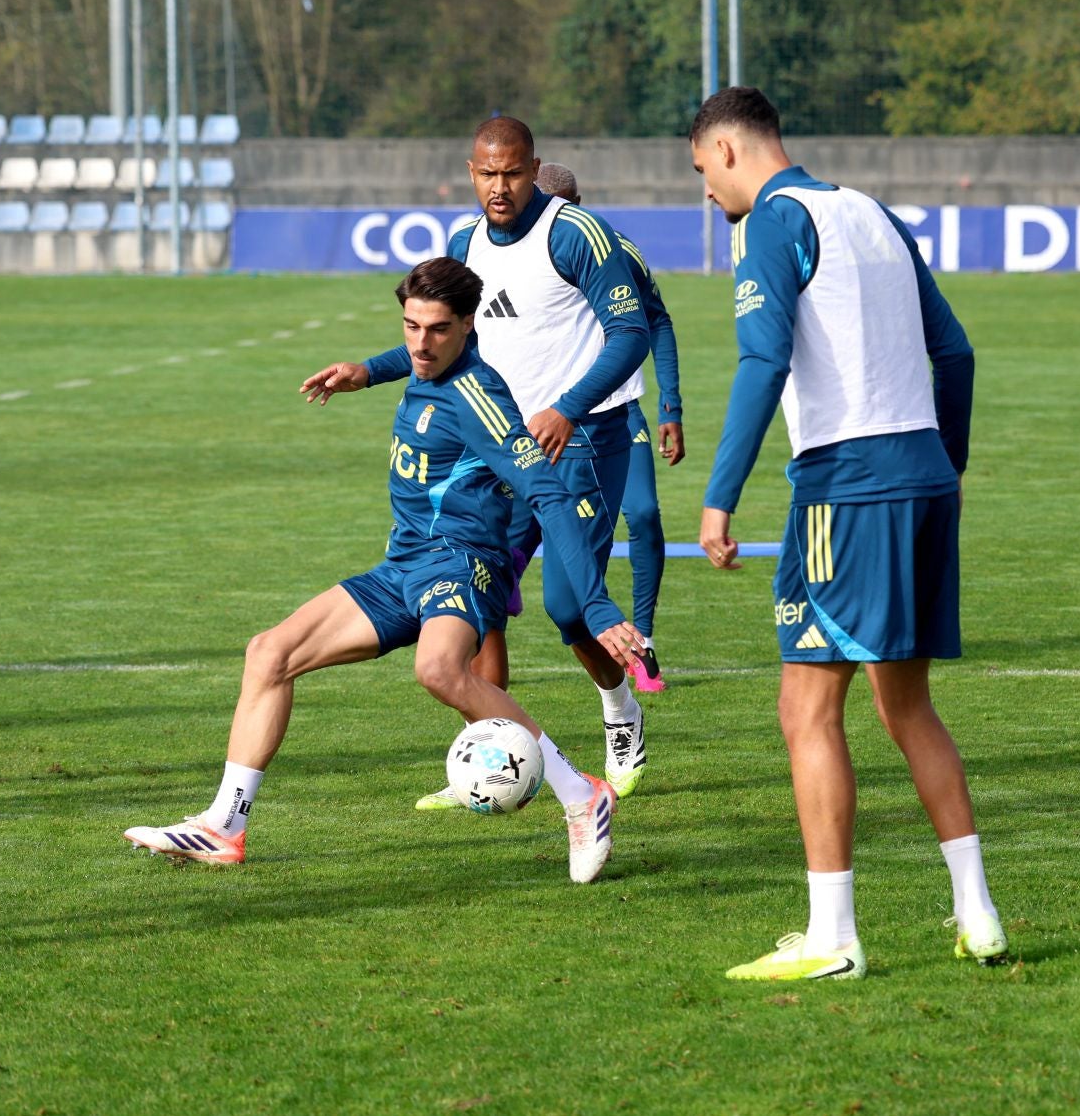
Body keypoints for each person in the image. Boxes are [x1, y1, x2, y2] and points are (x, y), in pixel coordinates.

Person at [124, 258, 646, 883]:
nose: (421, 343)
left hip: (461, 563)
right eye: (410, 326)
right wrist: (366, 372)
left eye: (438, 330)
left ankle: (581, 795)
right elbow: (414, 357)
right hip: (403, 564)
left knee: (439, 670)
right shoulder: (425, 360)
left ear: (468, 327)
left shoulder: (479, 398)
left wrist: (594, 604)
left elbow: (550, 495)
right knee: (268, 653)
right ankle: (223, 827)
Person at [691, 86, 1003, 982]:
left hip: (845, 487)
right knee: (906, 707)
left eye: (703, 172)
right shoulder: (870, 211)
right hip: (923, 474)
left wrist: (720, 496)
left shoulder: (771, 223)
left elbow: (763, 358)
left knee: (805, 708)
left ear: (725, 149)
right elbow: (957, 352)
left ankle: (833, 936)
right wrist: (949, 463)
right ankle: (976, 914)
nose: (708, 195)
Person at [303, 118, 656, 808]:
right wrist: (368, 370)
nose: (501, 187)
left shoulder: (573, 235)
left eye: (515, 173)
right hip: (493, 446)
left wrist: (568, 407)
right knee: (475, 601)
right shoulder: (464, 242)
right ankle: (490, 760)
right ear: (472, 172)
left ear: (534, 168)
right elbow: (444, 340)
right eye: (489, 174)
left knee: (566, 607)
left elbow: (632, 331)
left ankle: (621, 710)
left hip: (579, 441)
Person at [527, 163, 684, 694]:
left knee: (642, 511)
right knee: (552, 587)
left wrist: (672, 406)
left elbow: (655, 319)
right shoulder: (511, 252)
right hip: (535, 425)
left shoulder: (611, 247)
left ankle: (645, 636)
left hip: (612, 415)